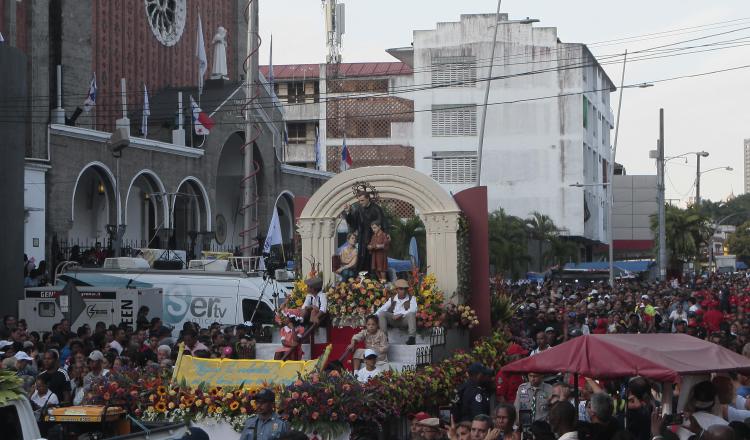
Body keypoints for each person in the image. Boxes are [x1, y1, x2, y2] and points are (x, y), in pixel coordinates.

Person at [342, 188, 386, 272]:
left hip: (374, 237)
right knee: (362, 257)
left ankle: (374, 278)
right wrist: (348, 213)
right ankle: (363, 278)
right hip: (362, 237)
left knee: (374, 259)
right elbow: (353, 222)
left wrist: (384, 235)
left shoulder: (376, 209)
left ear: (368, 198)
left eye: (362, 200)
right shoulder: (359, 209)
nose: (360, 202)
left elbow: (383, 223)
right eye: (359, 201)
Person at [376, 279, 418, 345]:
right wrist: (372, 316)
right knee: (382, 313)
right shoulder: (392, 299)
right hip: (393, 319)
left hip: (404, 320)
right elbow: (382, 309)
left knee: (411, 314)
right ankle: (384, 338)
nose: (403, 291)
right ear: (396, 290)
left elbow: (414, 309)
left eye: (405, 289)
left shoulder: (412, 298)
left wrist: (401, 314)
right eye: (401, 289)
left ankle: (412, 338)